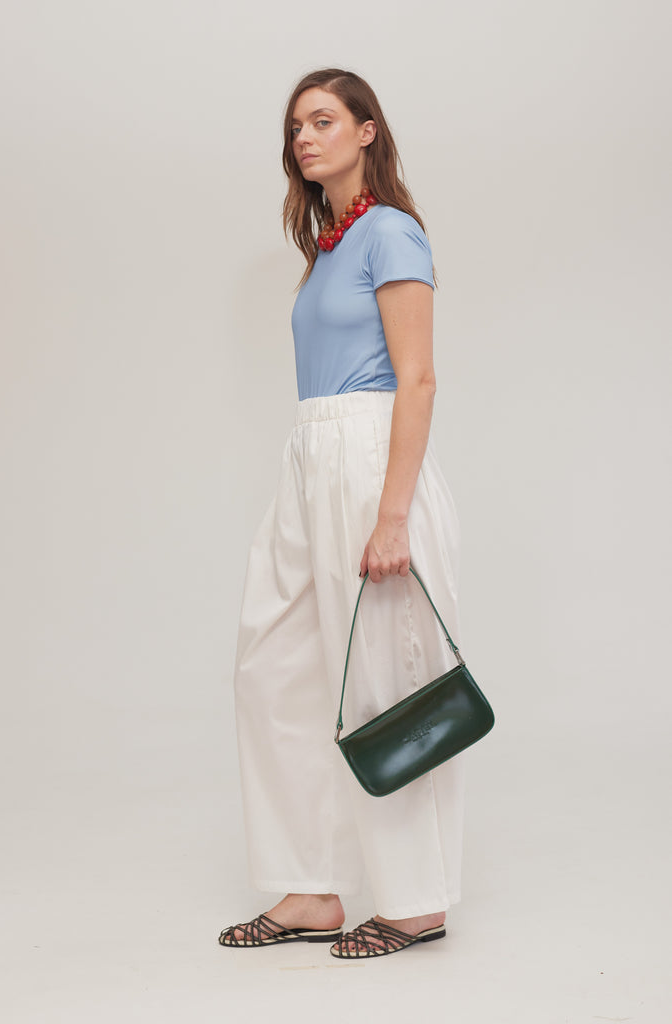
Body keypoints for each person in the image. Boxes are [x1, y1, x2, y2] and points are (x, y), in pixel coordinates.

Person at [218, 68, 465, 959]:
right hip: (309, 457)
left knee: (384, 682)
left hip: (368, 460)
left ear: (366, 131)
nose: (304, 138)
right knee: (274, 667)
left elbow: (418, 378)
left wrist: (391, 516)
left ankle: (415, 901)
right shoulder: (330, 244)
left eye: (322, 120)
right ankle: (310, 886)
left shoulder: (390, 231)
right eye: (295, 127)